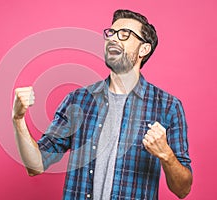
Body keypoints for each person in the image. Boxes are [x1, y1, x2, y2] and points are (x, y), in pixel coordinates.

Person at [12, 9, 192, 200]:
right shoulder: (79, 100)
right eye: (111, 33)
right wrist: (18, 119)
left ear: (144, 49)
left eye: (125, 34)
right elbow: (36, 165)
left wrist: (166, 154)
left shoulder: (168, 107)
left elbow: (183, 190)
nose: (113, 39)